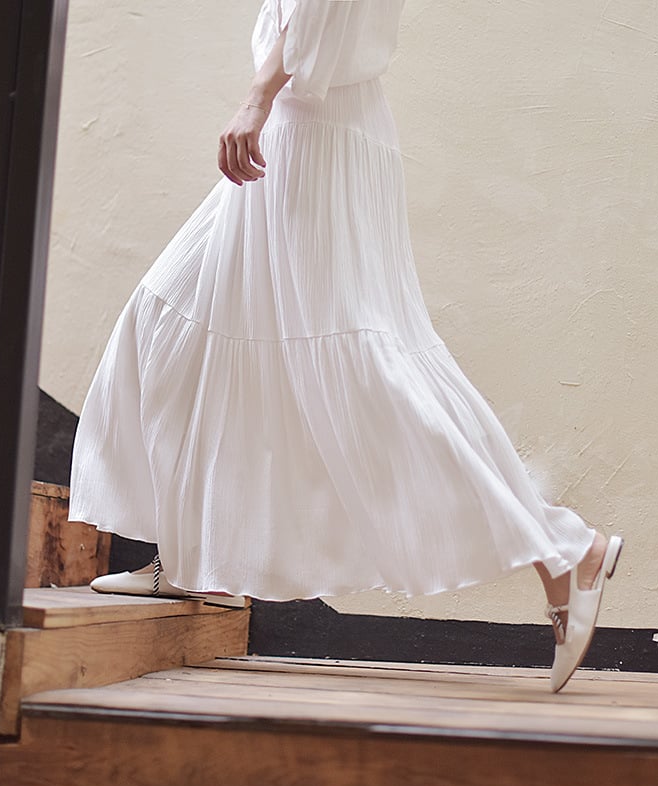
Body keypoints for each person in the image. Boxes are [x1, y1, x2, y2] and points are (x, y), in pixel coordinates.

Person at [67, 0, 623, 693]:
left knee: (367, 376)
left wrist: (255, 100)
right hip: (312, 124)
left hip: (309, 128)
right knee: (176, 314)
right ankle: (192, 560)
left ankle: (565, 548)